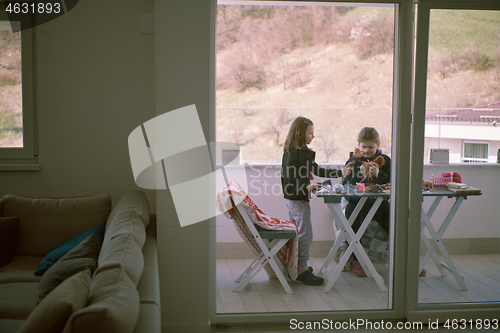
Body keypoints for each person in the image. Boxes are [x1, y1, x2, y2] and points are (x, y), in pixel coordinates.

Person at [281, 116, 342, 285]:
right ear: (301, 133)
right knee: (305, 235)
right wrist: (308, 187)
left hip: (292, 199)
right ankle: (301, 269)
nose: (313, 136)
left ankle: (295, 266)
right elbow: (294, 180)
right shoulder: (298, 154)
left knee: (297, 233)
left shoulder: (291, 151)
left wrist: (341, 173)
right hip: (298, 199)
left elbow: (312, 170)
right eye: (310, 133)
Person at [341, 127, 391, 277]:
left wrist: (379, 174)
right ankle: (357, 260)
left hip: (379, 202)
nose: (367, 151)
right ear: (358, 145)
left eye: (371, 147)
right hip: (356, 202)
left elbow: (393, 183)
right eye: (364, 147)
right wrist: (358, 176)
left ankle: (404, 259)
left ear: (378, 145)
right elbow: (346, 186)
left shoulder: (386, 161)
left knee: (396, 218)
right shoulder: (352, 161)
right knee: (354, 217)